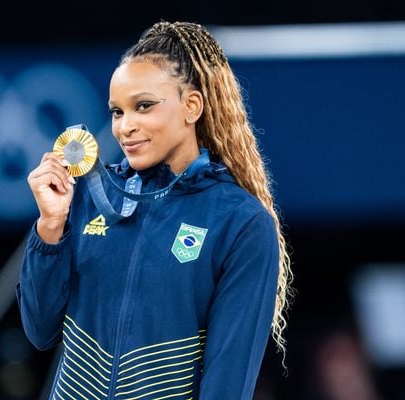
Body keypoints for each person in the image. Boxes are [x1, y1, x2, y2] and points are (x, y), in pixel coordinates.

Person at [16, 20, 293, 399]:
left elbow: (227, 384)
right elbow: (39, 330)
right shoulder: (89, 198)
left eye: (143, 106)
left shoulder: (240, 223)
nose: (125, 126)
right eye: (117, 112)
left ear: (191, 106)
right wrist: (50, 228)